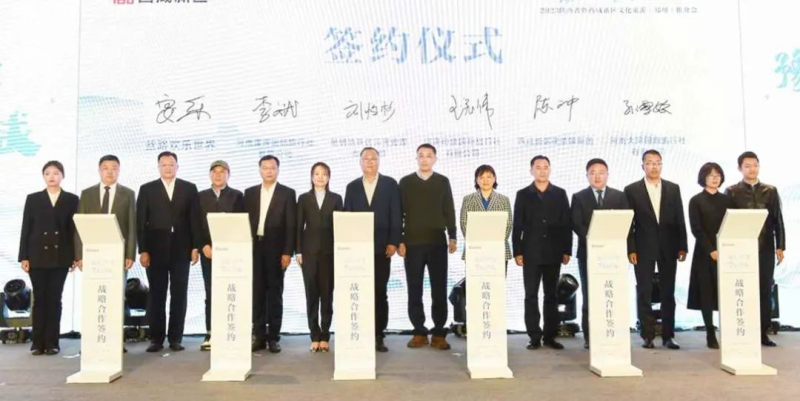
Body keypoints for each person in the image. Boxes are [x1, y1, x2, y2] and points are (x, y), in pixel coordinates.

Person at [136, 151, 202, 353]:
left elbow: (195, 220)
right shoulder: (147, 189)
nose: (167, 168)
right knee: (157, 294)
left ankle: (175, 338)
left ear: (177, 167)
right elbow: (140, 222)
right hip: (155, 249)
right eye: (163, 165)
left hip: (182, 249)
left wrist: (195, 247)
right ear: (158, 167)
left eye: (171, 164)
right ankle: (156, 339)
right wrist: (143, 250)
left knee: (179, 294)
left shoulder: (189, 188)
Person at [625, 149, 687, 350]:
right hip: (643, 247)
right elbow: (629, 223)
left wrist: (683, 245)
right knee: (644, 291)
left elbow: (679, 218)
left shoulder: (673, 188)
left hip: (669, 246)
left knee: (668, 292)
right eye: (650, 163)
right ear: (642, 166)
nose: (654, 166)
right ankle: (647, 335)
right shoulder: (632, 190)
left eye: (657, 163)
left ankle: (669, 336)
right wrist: (631, 248)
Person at [75, 154, 137, 353]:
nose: (110, 172)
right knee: (94, 297)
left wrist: (130, 254)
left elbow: (132, 226)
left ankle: (115, 341)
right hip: (93, 254)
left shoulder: (128, 194)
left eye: (114, 168)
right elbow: (79, 226)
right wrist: (79, 255)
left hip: (117, 255)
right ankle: (92, 341)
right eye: (105, 168)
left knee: (115, 298)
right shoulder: (87, 194)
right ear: (99, 170)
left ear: (119, 170)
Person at [398, 143, 457, 351]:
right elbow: (399, 212)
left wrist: (452, 235)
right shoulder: (405, 182)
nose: (425, 159)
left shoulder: (442, 181)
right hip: (412, 243)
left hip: (437, 242)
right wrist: (400, 240)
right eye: (421, 156)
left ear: (435, 159)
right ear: (416, 158)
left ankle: (439, 333)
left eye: (429, 156)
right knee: (414, 289)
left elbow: (449, 208)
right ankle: (419, 332)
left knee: (439, 288)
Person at [343, 147, 402, 352]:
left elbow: (396, 214)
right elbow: (347, 217)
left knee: (379, 292)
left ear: (379, 161)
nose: (369, 162)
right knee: (360, 291)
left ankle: (378, 334)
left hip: (382, 248)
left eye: (373, 158)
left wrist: (394, 241)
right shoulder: (352, 187)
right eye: (365, 158)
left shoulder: (390, 184)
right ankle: (361, 332)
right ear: (360, 162)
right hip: (358, 249)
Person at [725, 151, 786, 347]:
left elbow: (777, 220)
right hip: (741, 248)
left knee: (765, 289)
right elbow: (726, 221)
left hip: (765, 247)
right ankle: (742, 331)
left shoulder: (770, 190)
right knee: (743, 289)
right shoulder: (732, 191)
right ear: (740, 168)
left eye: (755, 165)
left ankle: (763, 332)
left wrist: (780, 246)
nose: (752, 169)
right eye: (747, 166)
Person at [18, 161, 79, 355]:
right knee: (40, 299)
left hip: (61, 256)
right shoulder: (33, 199)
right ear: (43, 176)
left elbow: (74, 230)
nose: (52, 177)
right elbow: (26, 227)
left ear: (62, 176)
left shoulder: (71, 199)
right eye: (47, 173)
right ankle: (37, 343)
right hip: (36, 255)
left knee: (55, 299)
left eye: (56, 173)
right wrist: (23, 256)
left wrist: (75, 256)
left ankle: (52, 342)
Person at [513, 155, 572, 350]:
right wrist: (518, 251)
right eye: (538, 167)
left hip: (554, 252)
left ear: (550, 170)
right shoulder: (523, 194)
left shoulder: (560, 194)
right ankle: (534, 336)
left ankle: (550, 336)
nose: (542, 171)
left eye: (545, 167)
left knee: (551, 296)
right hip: (530, 252)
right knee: (531, 295)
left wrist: (566, 250)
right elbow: (517, 225)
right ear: (531, 171)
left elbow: (566, 224)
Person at [570, 158, 629, 349]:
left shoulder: (619, 196)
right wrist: (595, 238)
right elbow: (576, 224)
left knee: (611, 294)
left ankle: (612, 333)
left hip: (613, 254)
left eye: (601, 172)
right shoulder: (579, 197)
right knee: (590, 294)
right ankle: (590, 336)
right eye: (593, 173)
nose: (597, 176)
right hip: (588, 253)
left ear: (607, 175)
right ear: (587, 175)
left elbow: (625, 221)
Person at [244, 155, 296, 353]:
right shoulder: (249, 193)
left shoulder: (287, 193)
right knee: (256, 292)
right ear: (259, 170)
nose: (269, 171)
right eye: (265, 168)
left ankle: (273, 336)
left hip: (277, 249)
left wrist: (287, 252)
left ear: (278, 170)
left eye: (272, 168)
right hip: (254, 247)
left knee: (275, 293)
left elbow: (291, 225)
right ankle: (258, 336)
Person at [197, 160, 244, 351]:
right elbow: (195, 223)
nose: (218, 175)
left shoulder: (237, 196)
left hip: (231, 253)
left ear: (228, 175)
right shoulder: (200, 196)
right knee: (211, 292)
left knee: (231, 292)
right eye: (214, 172)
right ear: (210, 175)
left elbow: (241, 223)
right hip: (208, 252)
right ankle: (211, 332)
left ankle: (232, 332)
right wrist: (202, 246)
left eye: (222, 171)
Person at [296, 162, 343, 353]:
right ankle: (314, 335)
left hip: (330, 253)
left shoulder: (336, 198)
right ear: (311, 177)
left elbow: (341, 226)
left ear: (329, 177)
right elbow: (298, 226)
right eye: (316, 173)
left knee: (327, 294)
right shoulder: (304, 198)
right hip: (308, 253)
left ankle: (325, 334)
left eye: (324, 174)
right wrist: (298, 251)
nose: (320, 177)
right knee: (311, 294)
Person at [688, 162, 732, 349]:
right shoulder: (696, 200)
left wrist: (725, 248)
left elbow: (732, 225)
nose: (715, 178)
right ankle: (710, 332)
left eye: (718, 175)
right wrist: (711, 250)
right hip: (704, 253)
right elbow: (696, 229)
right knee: (706, 292)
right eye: (711, 175)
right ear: (703, 178)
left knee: (725, 292)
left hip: (726, 251)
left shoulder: (728, 200)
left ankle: (728, 331)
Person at [459, 165, 512, 267]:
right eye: (481, 177)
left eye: (489, 177)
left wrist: (494, 243)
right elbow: (464, 224)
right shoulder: (468, 199)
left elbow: (508, 224)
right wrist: (478, 243)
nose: (485, 180)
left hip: (498, 250)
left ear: (494, 179)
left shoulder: (504, 200)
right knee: (475, 278)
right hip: (475, 249)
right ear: (476, 180)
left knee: (497, 278)